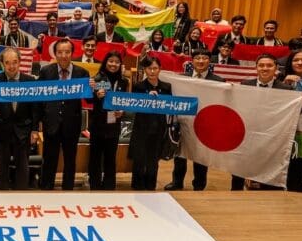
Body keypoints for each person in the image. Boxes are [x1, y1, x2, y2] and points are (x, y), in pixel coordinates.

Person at [233, 54, 294, 190]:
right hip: (247, 133)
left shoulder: (286, 90)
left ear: (276, 68)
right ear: (256, 68)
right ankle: (235, 192)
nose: (265, 68)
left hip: (271, 136)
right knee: (239, 169)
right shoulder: (245, 85)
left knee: (268, 167)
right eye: (261, 65)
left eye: (269, 65)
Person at [166, 49, 223, 191]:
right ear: (192, 61)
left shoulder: (219, 81)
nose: (201, 61)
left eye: (204, 58)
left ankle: (199, 184)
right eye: (198, 58)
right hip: (184, 121)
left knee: (201, 157)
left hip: (205, 123)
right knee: (180, 155)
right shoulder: (182, 78)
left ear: (209, 61)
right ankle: (177, 182)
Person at [37, 38, 89, 190]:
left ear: (72, 53)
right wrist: (40, 121)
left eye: (67, 52)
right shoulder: (46, 72)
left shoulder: (81, 73)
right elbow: (39, 98)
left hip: (71, 123)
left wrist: (92, 88)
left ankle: (68, 189)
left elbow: (89, 100)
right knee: (49, 158)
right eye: (60, 52)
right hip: (51, 122)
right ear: (55, 54)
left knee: (70, 159)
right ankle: (46, 188)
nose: (64, 55)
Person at [0, 47, 39, 190]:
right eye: (7, 63)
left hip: (24, 130)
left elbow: (35, 108)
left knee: (23, 167)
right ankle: (2, 197)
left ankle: (21, 197)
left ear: (20, 62)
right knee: (1, 168)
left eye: (14, 62)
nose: (11, 66)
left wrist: (34, 130)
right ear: (2, 64)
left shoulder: (30, 81)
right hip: (2, 130)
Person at [128, 55, 172, 191]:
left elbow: (171, 105)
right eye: (149, 68)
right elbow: (133, 106)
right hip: (141, 127)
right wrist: (147, 98)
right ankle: (137, 186)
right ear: (145, 70)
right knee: (139, 159)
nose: (152, 71)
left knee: (153, 160)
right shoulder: (138, 86)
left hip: (158, 127)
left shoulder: (166, 87)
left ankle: (150, 186)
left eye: (155, 68)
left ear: (160, 70)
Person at [88, 51, 127, 190]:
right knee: (95, 157)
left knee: (110, 158)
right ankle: (94, 185)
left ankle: (109, 186)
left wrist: (122, 111)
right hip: (98, 125)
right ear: (105, 62)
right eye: (111, 61)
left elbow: (125, 102)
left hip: (114, 126)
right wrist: (96, 95)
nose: (113, 64)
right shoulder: (97, 79)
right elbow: (87, 99)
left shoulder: (123, 82)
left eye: (117, 62)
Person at [278, 48, 302, 192]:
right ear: (290, 62)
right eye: (296, 60)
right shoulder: (280, 79)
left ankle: (294, 191)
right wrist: (284, 83)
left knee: (298, 163)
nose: (300, 63)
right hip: (282, 127)